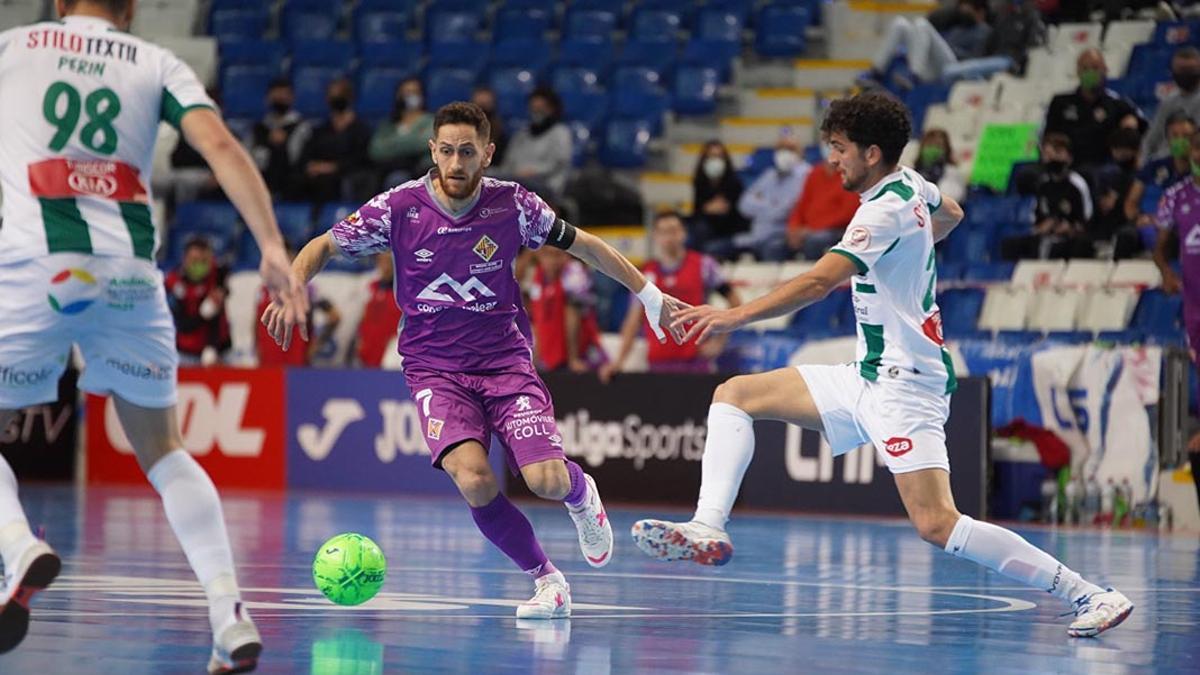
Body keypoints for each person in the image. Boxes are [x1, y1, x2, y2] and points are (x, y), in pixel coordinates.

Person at [630, 92, 1134, 639]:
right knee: (734, 394)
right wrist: (914, 251)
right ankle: (709, 528)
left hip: (907, 387)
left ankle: (1089, 593)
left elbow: (820, 282)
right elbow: (952, 213)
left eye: (840, 149)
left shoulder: (883, 210)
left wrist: (732, 317)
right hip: (868, 372)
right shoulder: (912, 184)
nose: (832, 159)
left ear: (872, 153)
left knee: (937, 524)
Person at [261, 102, 687, 619]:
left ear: (487, 153)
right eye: (446, 151)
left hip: (505, 363)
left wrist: (649, 296)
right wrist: (291, 290)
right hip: (434, 370)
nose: (456, 163)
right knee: (475, 479)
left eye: (467, 152)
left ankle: (580, 494)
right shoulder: (399, 207)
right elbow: (324, 244)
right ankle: (548, 581)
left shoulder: (515, 206)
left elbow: (587, 247)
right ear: (432, 151)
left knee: (545, 481)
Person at [0, 1, 310, 671]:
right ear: (131, 10)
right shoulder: (154, 61)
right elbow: (221, 146)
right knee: (165, 447)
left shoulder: (12, 46)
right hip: (130, 277)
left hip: (33, 265)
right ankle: (228, 612)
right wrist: (272, 248)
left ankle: (16, 544)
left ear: (58, 4)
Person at [601, 210, 742, 380]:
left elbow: (735, 300)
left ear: (683, 233)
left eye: (674, 231)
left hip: (696, 362)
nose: (669, 237)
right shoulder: (645, 275)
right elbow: (633, 320)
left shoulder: (704, 266)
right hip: (658, 363)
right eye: (664, 232)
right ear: (655, 236)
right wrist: (619, 362)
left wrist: (719, 343)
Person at [1154, 129, 1200, 457]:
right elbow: (1160, 248)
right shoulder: (1175, 196)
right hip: (1194, 300)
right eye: (1197, 149)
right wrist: (1167, 273)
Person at [860, 0, 1011, 87]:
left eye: (968, 8)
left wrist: (952, 50)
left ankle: (914, 75)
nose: (962, 11)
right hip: (934, 65)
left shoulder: (985, 32)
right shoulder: (959, 27)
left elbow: (975, 61)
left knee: (921, 24)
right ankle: (876, 73)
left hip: (954, 68)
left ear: (980, 11)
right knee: (901, 24)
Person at [1042, 49, 1145, 171]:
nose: (1090, 73)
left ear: (1105, 70)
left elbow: (1139, 129)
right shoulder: (1060, 103)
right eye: (1085, 69)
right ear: (1078, 72)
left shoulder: (1117, 104)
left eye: (1095, 68)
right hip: (1068, 169)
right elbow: (1047, 137)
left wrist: (1130, 126)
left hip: (1105, 170)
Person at [1001, 133, 1095, 260]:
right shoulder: (1043, 186)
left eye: (1057, 152)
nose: (1051, 158)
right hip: (1047, 235)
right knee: (1011, 244)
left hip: (1071, 237)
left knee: (1079, 244)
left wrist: (1070, 228)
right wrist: (1045, 227)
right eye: (1047, 154)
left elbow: (1086, 220)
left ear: (1068, 156)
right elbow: (1037, 224)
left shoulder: (1077, 184)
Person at [527, 246, 606, 373]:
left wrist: (573, 358)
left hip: (581, 353)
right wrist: (536, 359)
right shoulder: (538, 276)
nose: (553, 261)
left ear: (567, 254)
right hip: (549, 356)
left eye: (558, 255)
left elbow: (573, 315)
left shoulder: (574, 272)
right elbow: (537, 320)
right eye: (548, 255)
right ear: (539, 255)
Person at [294, 78, 372, 203]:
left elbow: (361, 159)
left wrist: (332, 167)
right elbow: (306, 155)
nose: (336, 98)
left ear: (350, 97)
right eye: (332, 95)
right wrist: (311, 166)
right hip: (317, 177)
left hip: (344, 176)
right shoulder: (320, 130)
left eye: (340, 95)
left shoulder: (361, 129)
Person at [734, 133, 810, 261]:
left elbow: (783, 211)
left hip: (783, 234)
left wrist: (761, 202)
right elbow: (743, 205)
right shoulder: (769, 175)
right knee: (716, 248)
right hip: (757, 235)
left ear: (800, 152)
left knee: (772, 248)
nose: (784, 153)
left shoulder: (807, 175)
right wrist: (772, 204)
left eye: (790, 149)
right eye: (781, 149)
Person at [165, 237, 232, 365]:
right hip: (186, 353)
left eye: (204, 261)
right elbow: (182, 325)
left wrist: (222, 291)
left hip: (220, 351)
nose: (200, 265)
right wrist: (203, 314)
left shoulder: (217, 275)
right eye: (195, 260)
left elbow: (226, 274)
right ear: (185, 259)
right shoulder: (173, 283)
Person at [499, 87, 572, 199]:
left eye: (541, 109)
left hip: (545, 185)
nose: (536, 113)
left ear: (552, 109)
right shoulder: (521, 135)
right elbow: (508, 163)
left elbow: (558, 163)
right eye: (533, 109)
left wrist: (532, 172)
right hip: (517, 182)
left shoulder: (560, 133)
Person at [785, 150, 860, 260]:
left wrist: (811, 229)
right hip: (809, 229)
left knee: (815, 241)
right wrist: (793, 228)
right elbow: (801, 205)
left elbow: (847, 214)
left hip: (835, 229)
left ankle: (817, 275)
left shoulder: (849, 175)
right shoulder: (814, 173)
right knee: (776, 244)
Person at [1128, 113, 1195, 221]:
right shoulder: (1153, 166)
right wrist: (1138, 219)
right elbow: (1131, 202)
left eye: (1186, 136)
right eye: (1175, 135)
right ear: (1168, 140)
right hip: (1147, 224)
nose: (1180, 140)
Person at [368, 77, 435, 186]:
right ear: (398, 96)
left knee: (397, 179)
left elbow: (425, 143)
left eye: (415, 92)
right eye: (407, 93)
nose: (411, 96)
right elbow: (375, 150)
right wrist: (410, 143)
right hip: (387, 170)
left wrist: (391, 144)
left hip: (418, 172)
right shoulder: (388, 125)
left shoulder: (430, 121)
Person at [690, 140, 748, 259]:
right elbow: (697, 212)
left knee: (709, 247)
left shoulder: (735, 183)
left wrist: (716, 209)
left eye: (719, 157)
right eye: (711, 157)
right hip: (707, 232)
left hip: (730, 231)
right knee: (697, 231)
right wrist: (707, 209)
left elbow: (739, 215)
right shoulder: (700, 182)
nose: (715, 161)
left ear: (725, 159)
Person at [1141, 46, 1200, 161]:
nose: (1185, 74)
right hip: (1160, 163)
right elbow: (1151, 139)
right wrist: (1145, 162)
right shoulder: (1168, 102)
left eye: (1190, 70)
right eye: (1181, 70)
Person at [250, 78, 306, 198]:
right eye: (276, 95)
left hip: (291, 184)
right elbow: (251, 156)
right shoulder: (259, 128)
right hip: (261, 181)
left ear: (292, 98)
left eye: (284, 95)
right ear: (268, 98)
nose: (280, 99)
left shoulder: (301, 126)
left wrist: (283, 144)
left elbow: (297, 160)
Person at [355, 253, 404, 368]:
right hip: (369, 347)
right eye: (381, 262)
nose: (385, 266)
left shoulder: (403, 292)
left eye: (389, 262)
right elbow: (363, 317)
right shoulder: (370, 287)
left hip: (392, 352)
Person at [911, 128, 965, 204]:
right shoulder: (911, 172)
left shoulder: (952, 173)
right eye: (929, 145)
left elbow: (949, 199)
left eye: (938, 146)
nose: (933, 149)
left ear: (946, 149)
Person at [472, 86, 508, 168]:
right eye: (479, 106)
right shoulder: (463, 130)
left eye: (486, 105)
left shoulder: (499, 131)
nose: (483, 112)